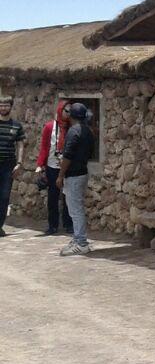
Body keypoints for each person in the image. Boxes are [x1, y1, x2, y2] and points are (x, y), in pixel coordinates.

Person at [57, 102, 94, 256]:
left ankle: (81, 242)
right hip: (82, 172)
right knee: (75, 208)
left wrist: (60, 175)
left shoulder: (74, 131)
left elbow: (68, 156)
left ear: (71, 116)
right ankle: (78, 238)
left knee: (75, 209)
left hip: (73, 175)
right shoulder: (88, 131)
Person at [34, 100, 74, 236]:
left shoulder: (72, 128)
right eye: (66, 111)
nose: (67, 114)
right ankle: (53, 225)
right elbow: (44, 147)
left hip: (68, 167)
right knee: (52, 197)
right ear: (60, 110)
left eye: (70, 112)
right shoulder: (49, 127)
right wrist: (40, 165)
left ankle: (68, 224)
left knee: (68, 196)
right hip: (52, 166)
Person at [0, 94, 26, 237]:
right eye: (1, 105)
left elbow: (20, 145)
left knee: (4, 197)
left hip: (8, 166)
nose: (3, 108)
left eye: (6, 105)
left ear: (10, 106)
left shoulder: (16, 126)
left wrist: (19, 163)